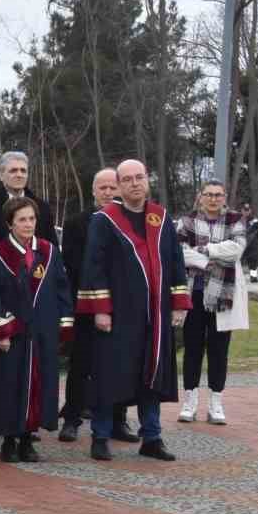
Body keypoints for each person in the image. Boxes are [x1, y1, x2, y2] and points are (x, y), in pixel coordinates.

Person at [76, 158, 189, 462]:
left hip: (156, 313)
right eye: (127, 179)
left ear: (147, 180)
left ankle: (151, 436)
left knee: (152, 374)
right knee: (109, 375)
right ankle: (100, 436)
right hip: (118, 315)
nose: (135, 183)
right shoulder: (105, 219)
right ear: (119, 185)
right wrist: (100, 309)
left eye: (139, 177)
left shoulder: (160, 218)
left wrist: (179, 302)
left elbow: (176, 262)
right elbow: (93, 266)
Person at [0, 197, 72, 462]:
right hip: (14, 331)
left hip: (43, 330)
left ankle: (27, 439)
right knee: (11, 383)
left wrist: (64, 324)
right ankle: (9, 440)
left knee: (39, 383)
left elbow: (61, 288)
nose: (28, 224)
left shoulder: (49, 251)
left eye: (32, 219)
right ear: (10, 223)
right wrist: (1, 330)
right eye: (22, 219)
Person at [59, 169, 129, 442]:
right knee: (81, 363)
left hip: (122, 306)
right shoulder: (77, 223)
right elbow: (75, 265)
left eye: (113, 187)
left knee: (120, 364)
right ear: (93, 191)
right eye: (103, 188)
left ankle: (118, 421)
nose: (108, 193)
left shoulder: (129, 221)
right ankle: (72, 418)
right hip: (86, 304)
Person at [177, 181, 250, 424]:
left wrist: (206, 250)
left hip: (223, 295)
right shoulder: (186, 221)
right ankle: (190, 401)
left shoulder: (235, 219)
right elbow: (179, 252)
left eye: (218, 195)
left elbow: (237, 249)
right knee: (193, 349)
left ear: (224, 197)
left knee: (219, 351)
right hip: (193, 294)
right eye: (208, 194)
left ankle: (216, 402)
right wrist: (207, 260)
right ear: (200, 197)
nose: (213, 199)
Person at [0, 151, 57, 250]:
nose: (19, 175)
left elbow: (53, 249)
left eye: (23, 171)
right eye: (13, 170)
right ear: (1, 175)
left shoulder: (43, 207)